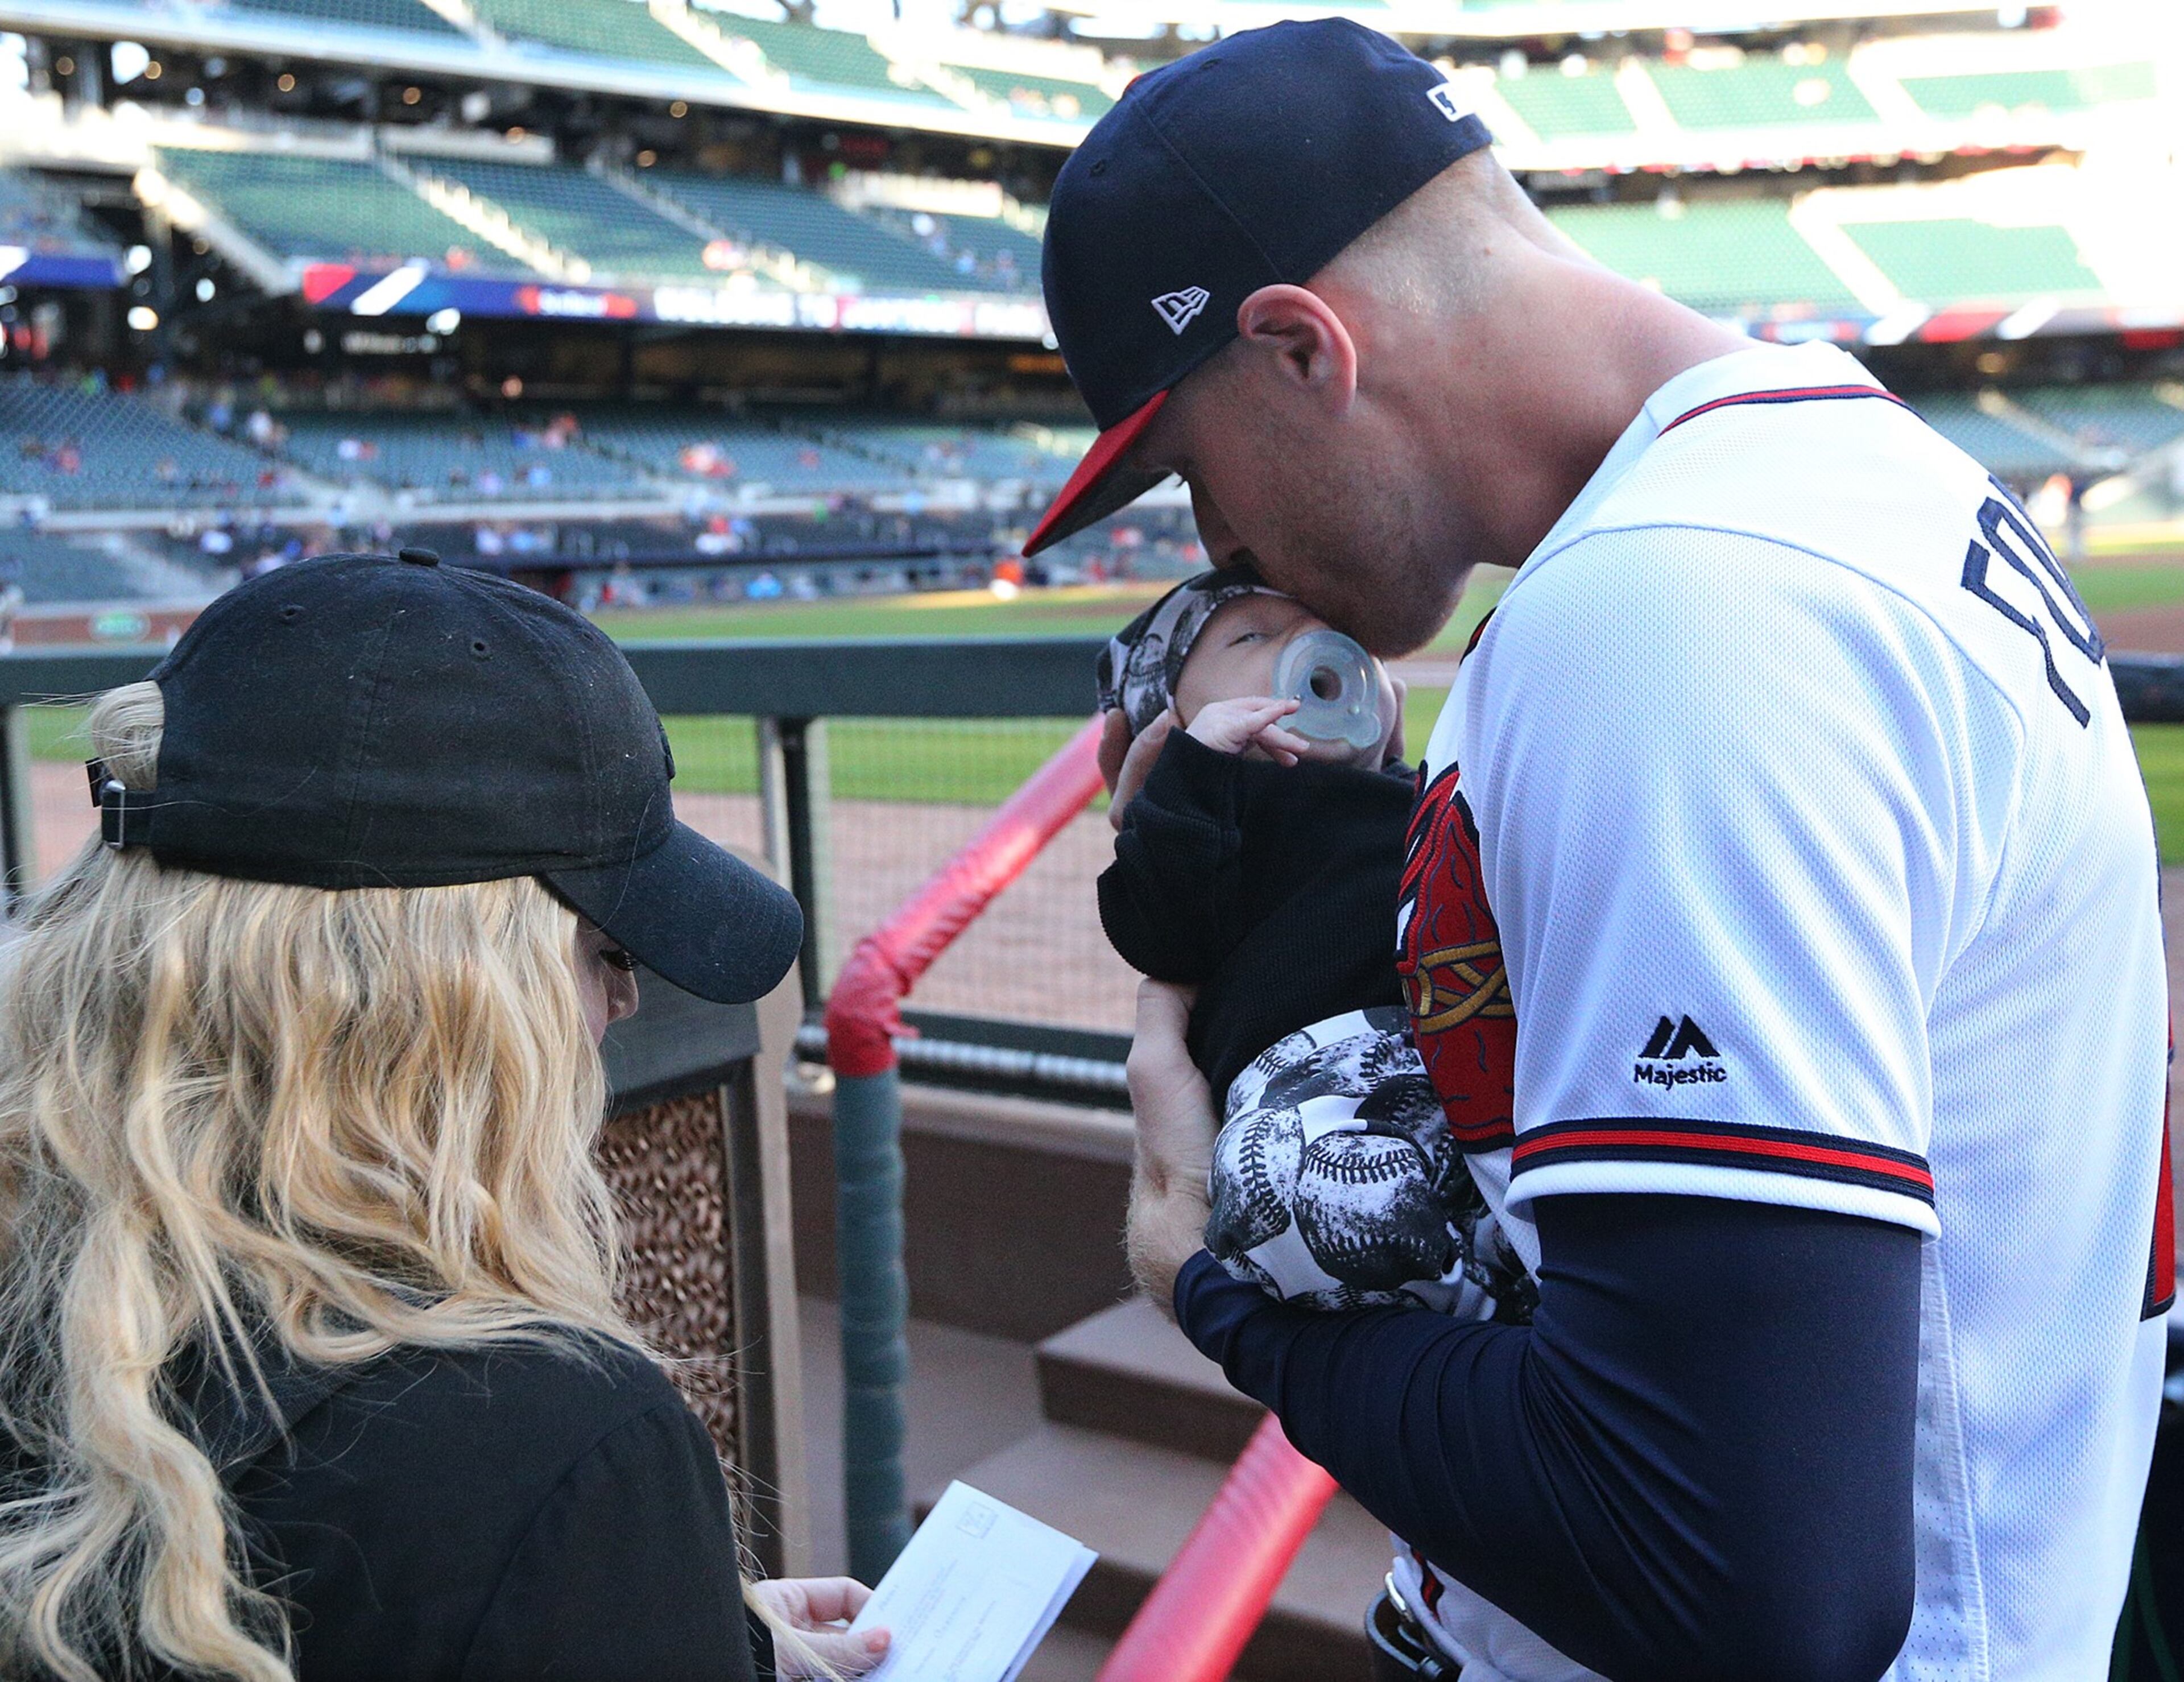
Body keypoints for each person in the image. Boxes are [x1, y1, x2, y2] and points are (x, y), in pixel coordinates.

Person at [1029, 22, 2169, 1682]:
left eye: (1192, 474)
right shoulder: (1853, 476)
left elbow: (1737, 1578)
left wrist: (1212, 1275)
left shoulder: (1672, 603)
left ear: (1298, 348)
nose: (1217, 550)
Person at [0, 549, 889, 1682]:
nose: (620, 999)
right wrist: (606, 1588)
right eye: (602, 948)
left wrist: (652, 1623)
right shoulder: (548, 1441)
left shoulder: (53, 1278)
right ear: (449, 996)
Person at [1097, 568, 1525, 1316]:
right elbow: (1159, 934)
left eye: (1322, 626)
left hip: (1459, 1061)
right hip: (1316, 1088)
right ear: (1170, 725)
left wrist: (1392, 767)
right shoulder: (1205, 827)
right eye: (1252, 635)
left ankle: (1510, 1284)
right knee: (1291, 1191)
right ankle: (1459, 1314)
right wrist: (1186, 784)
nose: (1306, 642)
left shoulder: (1403, 794)